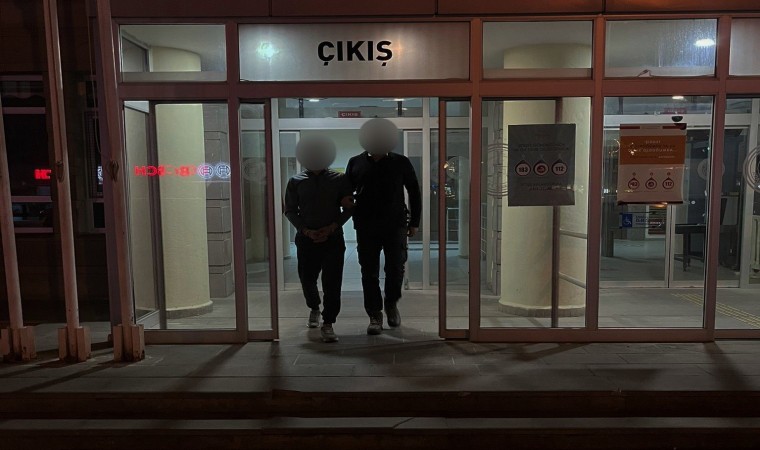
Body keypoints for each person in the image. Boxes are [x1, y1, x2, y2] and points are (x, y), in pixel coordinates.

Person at [346, 118, 421, 335]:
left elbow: (414, 191)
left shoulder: (401, 162)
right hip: (366, 225)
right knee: (368, 271)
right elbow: (345, 191)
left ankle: (391, 304)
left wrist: (414, 222)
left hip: (395, 224)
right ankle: (374, 314)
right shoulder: (355, 163)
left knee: (396, 268)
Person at [284, 134, 353, 343]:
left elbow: (349, 208)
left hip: (333, 239)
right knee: (307, 279)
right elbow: (290, 210)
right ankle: (314, 307)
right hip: (306, 239)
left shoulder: (339, 180)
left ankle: (328, 322)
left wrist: (332, 227)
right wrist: (306, 231)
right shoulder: (296, 181)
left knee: (332, 282)